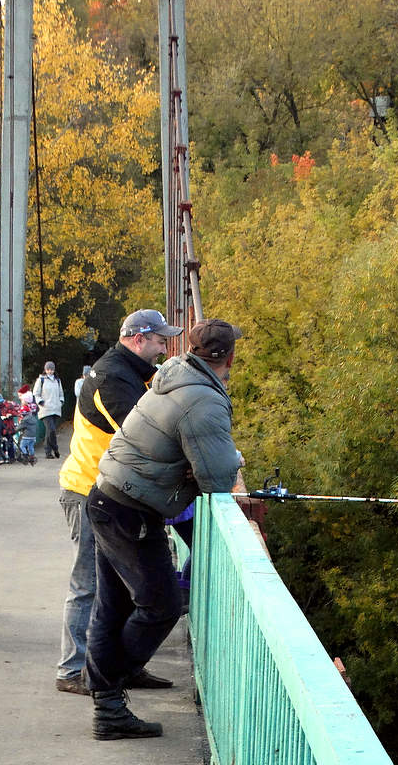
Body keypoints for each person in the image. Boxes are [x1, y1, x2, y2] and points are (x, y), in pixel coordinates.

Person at [83, 319, 245, 740]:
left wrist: (200, 463)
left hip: (108, 496)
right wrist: (233, 461)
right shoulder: (203, 400)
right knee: (162, 606)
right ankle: (109, 694)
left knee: (114, 605)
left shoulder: (174, 375)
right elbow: (217, 477)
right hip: (130, 510)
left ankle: (107, 701)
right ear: (229, 358)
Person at [55, 309, 184, 696]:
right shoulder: (111, 377)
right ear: (138, 339)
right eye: (160, 341)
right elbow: (140, 433)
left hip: (111, 493)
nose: (164, 349)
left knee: (121, 587)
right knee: (88, 584)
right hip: (88, 491)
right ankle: (72, 669)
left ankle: (120, 667)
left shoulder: (133, 373)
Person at [32, 361, 64, 459]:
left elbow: (61, 393)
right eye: (48, 369)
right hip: (45, 409)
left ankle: (49, 452)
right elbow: (36, 393)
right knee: (51, 430)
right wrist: (41, 402)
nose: (50, 371)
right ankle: (54, 449)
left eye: (52, 369)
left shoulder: (57, 380)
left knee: (50, 432)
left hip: (56, 409)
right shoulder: (41, 380)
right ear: (45, 370)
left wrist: (61, 402)